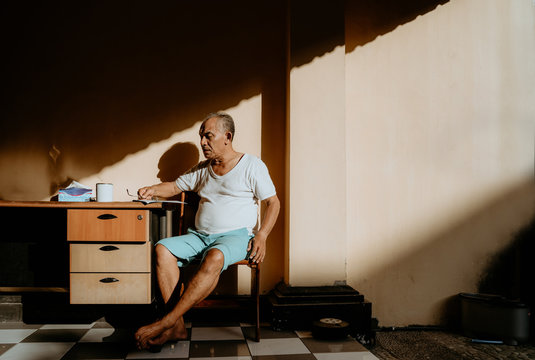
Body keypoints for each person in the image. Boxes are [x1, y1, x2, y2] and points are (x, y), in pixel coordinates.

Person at [134, 112, 280, 350]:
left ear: (227, 137)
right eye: (201, 136)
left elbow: (273, 202)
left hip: (236, 237)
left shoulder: (252, 165)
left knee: (215, 257)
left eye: (208, 136)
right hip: (199, 237)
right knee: (162, 249)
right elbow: (173, 186)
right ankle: (177, 327)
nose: (202, 142)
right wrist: (152, 189)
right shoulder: (202, 169)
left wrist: (262, 235)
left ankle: (167, 322)